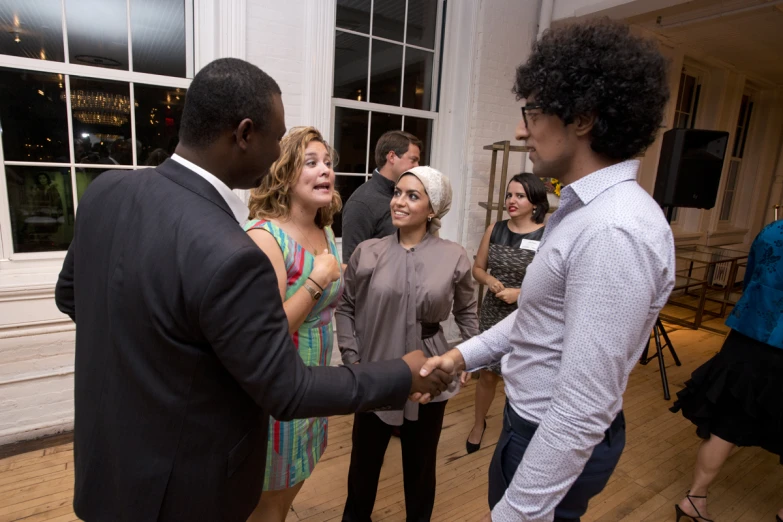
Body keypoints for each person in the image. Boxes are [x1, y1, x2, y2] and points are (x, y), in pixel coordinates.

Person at [53, 57, 451, 522]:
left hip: (106, 459)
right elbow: (286, 389)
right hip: (178, 488)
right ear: (244, 135)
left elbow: (71, 297)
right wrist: (402, 374)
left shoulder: (106, 191)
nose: (279, 149)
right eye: (277, 137)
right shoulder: (230, 248)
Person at [420, 20, 674, 522]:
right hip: (528, 422)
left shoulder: (613, 230)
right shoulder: (579, 211)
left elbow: (583, 407)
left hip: (550, 434)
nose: (521, 130)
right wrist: (462, 355)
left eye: (531, 112)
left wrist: (516, 514)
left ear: (581, 118)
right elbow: (540, 318)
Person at [337, 166, 478, 521]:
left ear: (433, 210)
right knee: (364, 464)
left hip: (430, 371)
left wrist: (467, 357)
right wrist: (354, 359)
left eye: (412, 196)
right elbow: (346, 307)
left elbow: (467, 311)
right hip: (376, 369)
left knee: (420, 465)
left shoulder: (454, 255)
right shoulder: (368, 252)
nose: (398, 202)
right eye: (397, 193)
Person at [243, 126, 343, 521]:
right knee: (268, 498)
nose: (326, 171)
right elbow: (267, 332)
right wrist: (318, 279)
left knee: (296, 479)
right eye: (312, 162)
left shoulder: (325, 232)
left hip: (314, 384)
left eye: (329, 163)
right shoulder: (265, 238)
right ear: (284, 173)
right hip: (279, 389)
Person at [670, 219, 783, 522]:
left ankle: (694, 499)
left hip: (748, 339)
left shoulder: (773, 230)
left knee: (726, 426)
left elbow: (749, 283)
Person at [465, 172, 549, 454]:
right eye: (509, 195)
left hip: (531, 314)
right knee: (488, 374)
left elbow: (556, 283)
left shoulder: (548, 232)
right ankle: (479, 424)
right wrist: (489, 280)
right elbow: (477, 268)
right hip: (493, 311)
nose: (511, 201)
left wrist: (520, 294)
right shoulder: (495, 229)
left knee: (521, 375)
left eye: (519, 196)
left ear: (535, 201)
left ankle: (516, 429)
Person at [341, 130, 421, 262]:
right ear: (391, 157)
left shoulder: (412, 195)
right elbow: (352, 265)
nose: (417, 166)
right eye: (413, 160)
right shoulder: (361, 203)